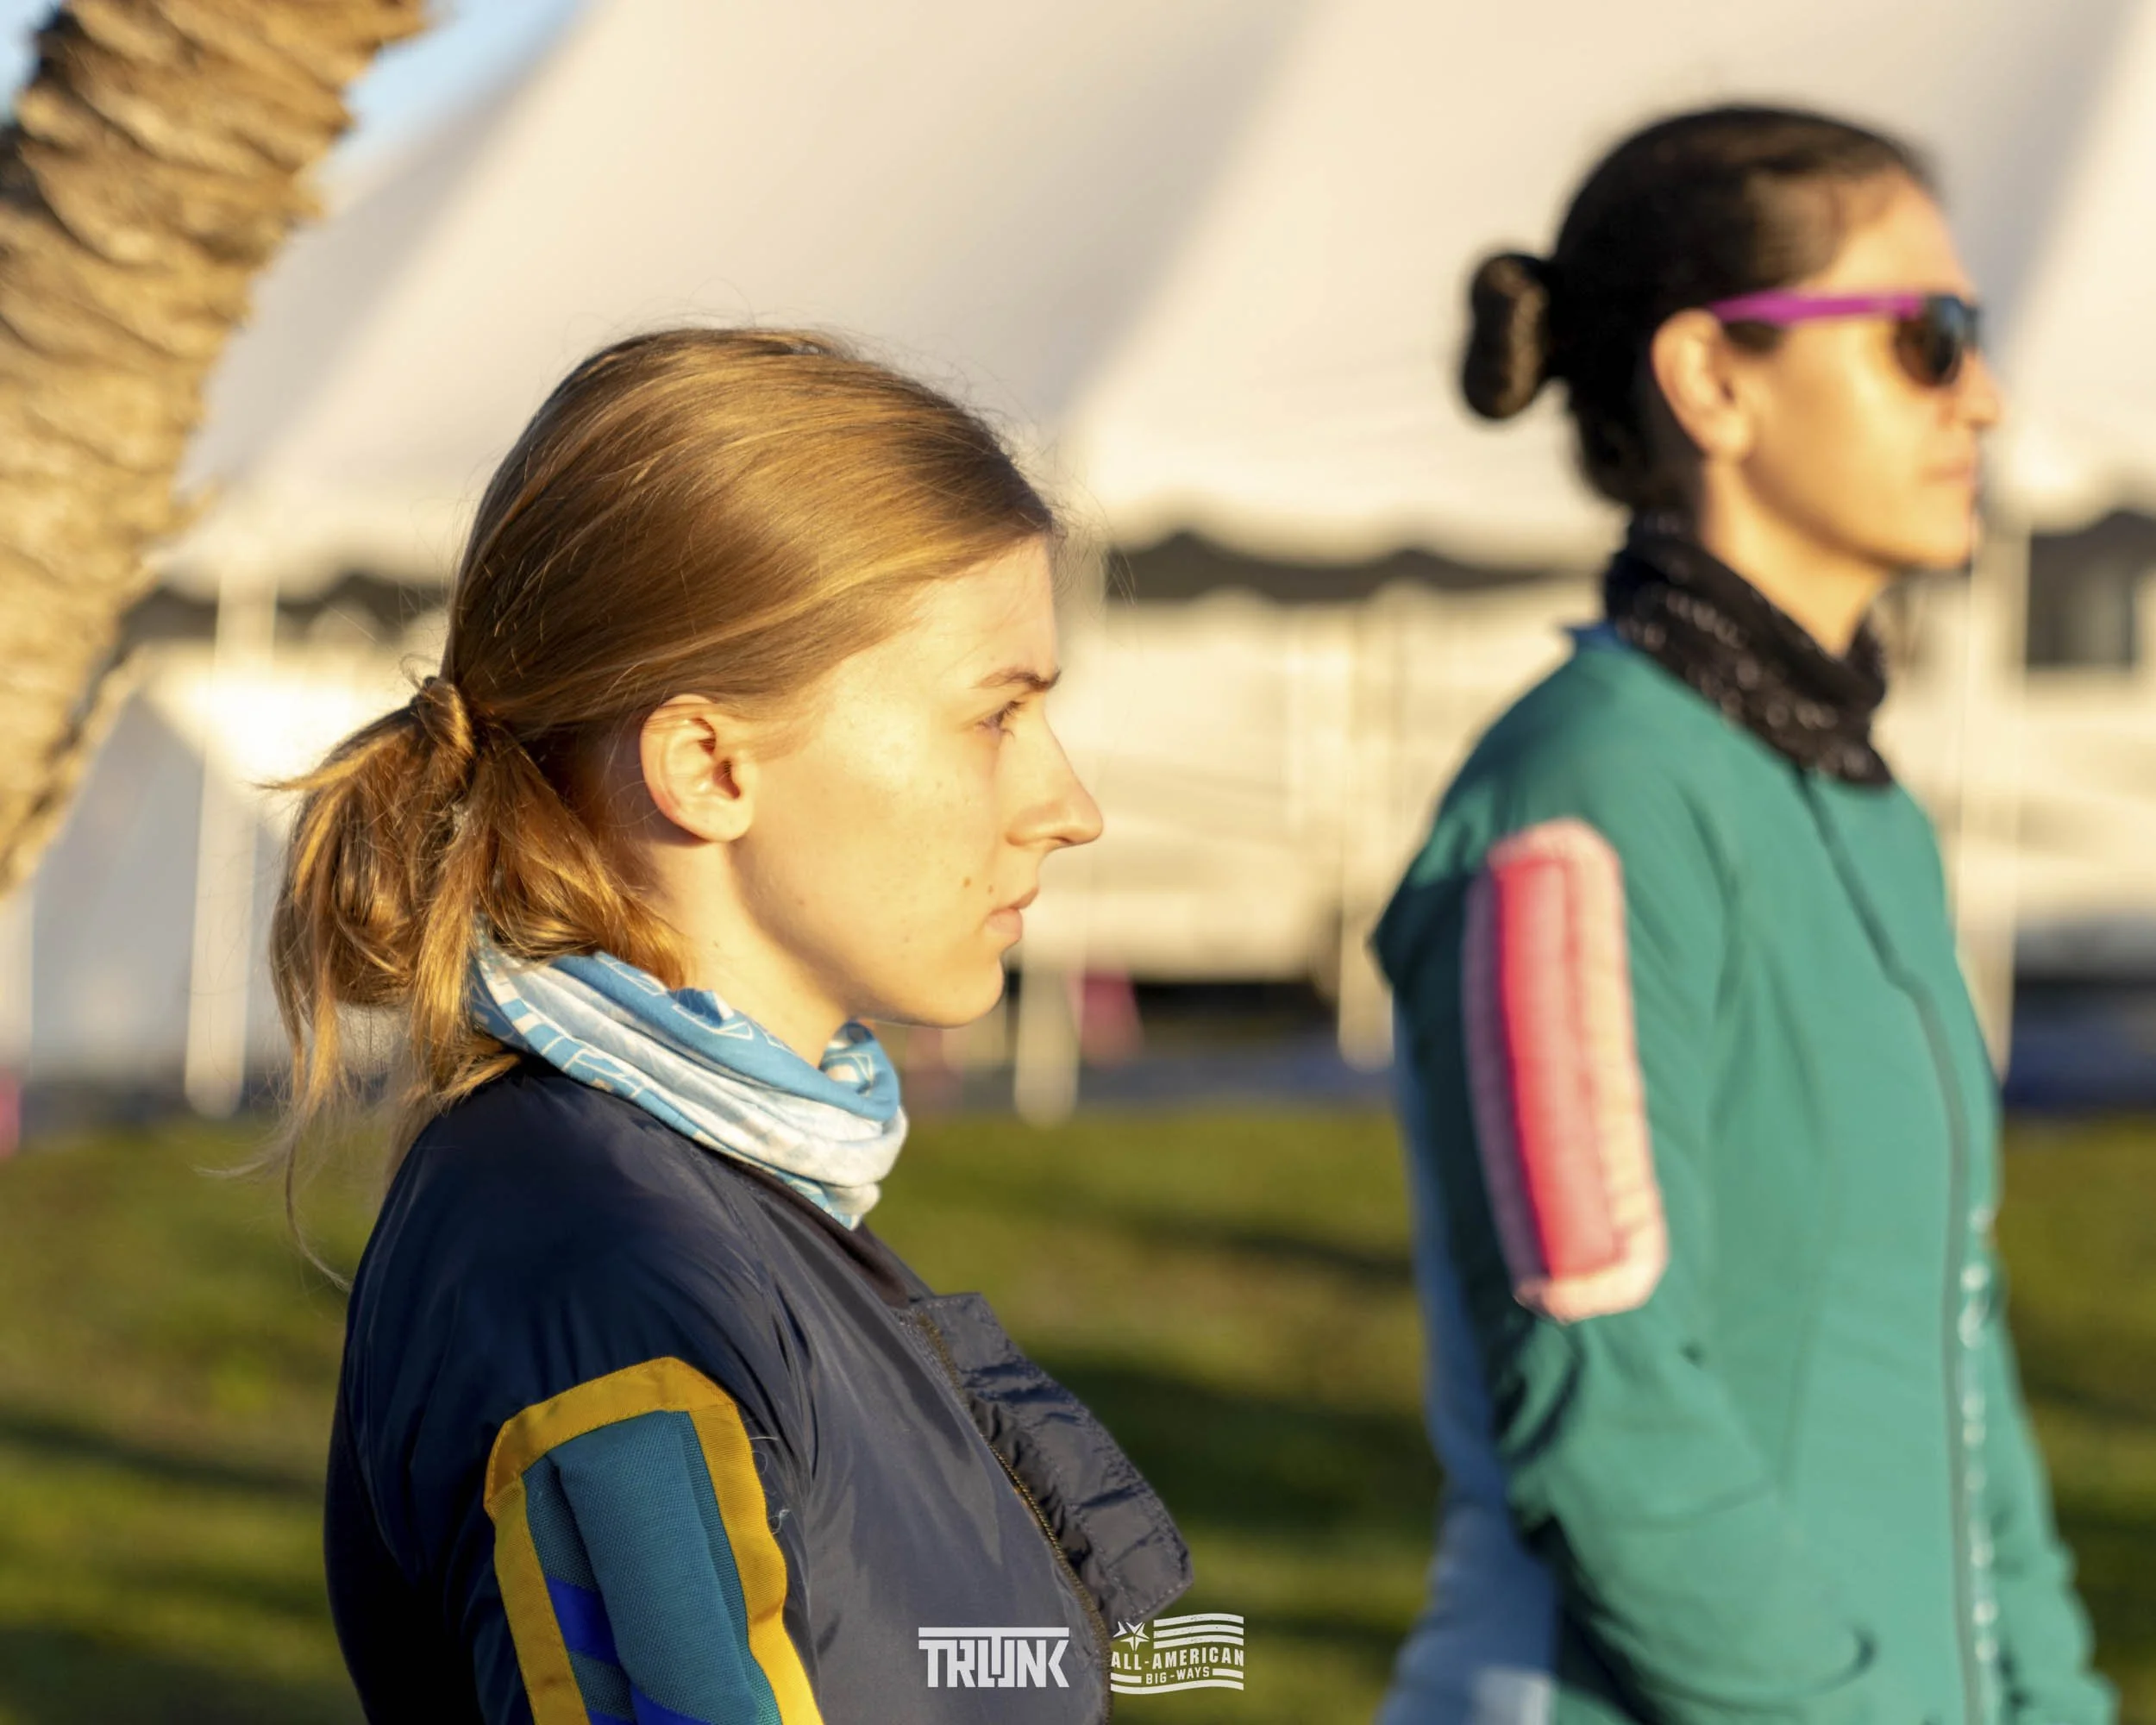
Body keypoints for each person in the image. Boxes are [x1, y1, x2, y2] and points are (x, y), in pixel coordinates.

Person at [270, 329, 1191, 1724]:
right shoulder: (595, 1272)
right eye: (997, 716)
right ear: (707, 763)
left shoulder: (726, 1208)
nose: (1069, 806)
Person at [1375, 107, 2112, 1725]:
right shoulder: (1581, 798)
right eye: (1929, 339)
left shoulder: (1860, 800)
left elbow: (1953, 1350)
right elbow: (1609, 1412)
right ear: (1712, 380)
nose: (1982, 394)